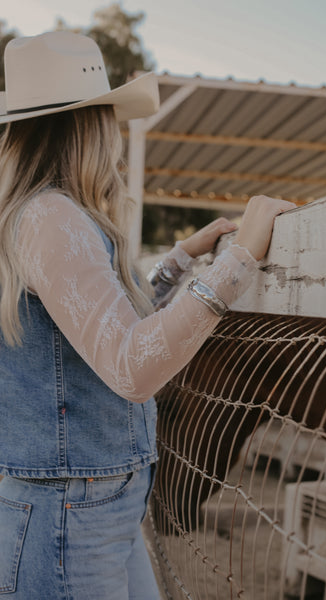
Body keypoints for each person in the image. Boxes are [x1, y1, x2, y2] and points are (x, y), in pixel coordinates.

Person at [0, 31, 294, 599]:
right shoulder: (51, 219)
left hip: (87, 503)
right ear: (88, 125)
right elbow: (132, 367)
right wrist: (236, 261)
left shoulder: (44, 215)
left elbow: (98, 324)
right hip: (72, 512)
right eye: (108, 116)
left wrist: (182, 259)